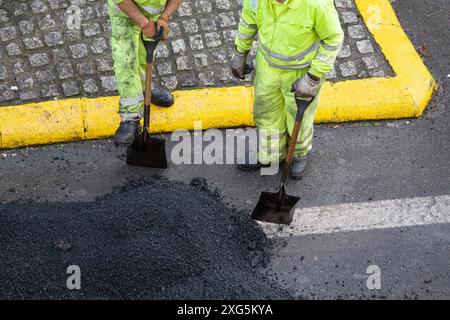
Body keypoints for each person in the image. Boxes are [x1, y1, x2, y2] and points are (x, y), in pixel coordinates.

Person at [231, 0, 344, 179]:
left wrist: (313, 77)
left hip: (301, 73)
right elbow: (248, 20)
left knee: (298, 117)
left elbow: (333, 39)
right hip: (267, 69)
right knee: (266, 114)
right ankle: (271, 155)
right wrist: (240, 52)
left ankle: (298, 154)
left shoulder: (316, 4)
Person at [108, 0, 183, 146]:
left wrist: (164, 18)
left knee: (145, 57)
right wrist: (143, 23)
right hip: (124, 14)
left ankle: (145, 91)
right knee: (125, 60)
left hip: (154, 14)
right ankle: (130, 117)